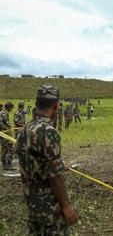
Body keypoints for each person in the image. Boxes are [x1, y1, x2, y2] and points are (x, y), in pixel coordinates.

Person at [15, 84, 78, 235]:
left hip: (31, 199)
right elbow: (55, 175)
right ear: (56, 106)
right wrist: (66, 206)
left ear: (36, 104)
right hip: (49, 204)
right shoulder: (48, 131)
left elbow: (35, 161)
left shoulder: (25, 128)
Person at [0, 102, 14, 170]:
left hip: (8, 134)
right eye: (11, 107)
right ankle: (4, 162)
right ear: (8, 107)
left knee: (10, 146)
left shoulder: (5, 113)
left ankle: (9, 161)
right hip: (4, 134)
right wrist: (6, 129)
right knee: (5, 147)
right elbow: (1, 123)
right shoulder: (2, 113)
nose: (11, 109)